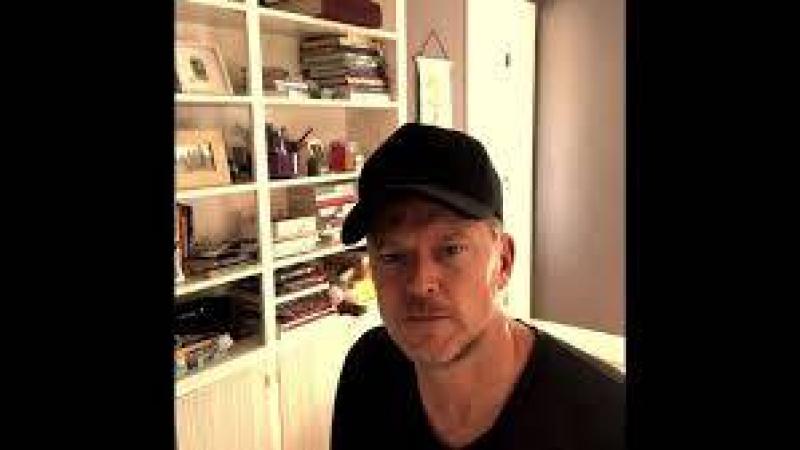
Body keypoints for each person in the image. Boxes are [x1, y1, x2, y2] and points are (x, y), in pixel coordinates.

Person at [331, 123, 624, 450]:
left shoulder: (608, 419)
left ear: (504, 262)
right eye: (393, 256)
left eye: (451, 249)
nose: (420, 283)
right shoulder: (368, 371)